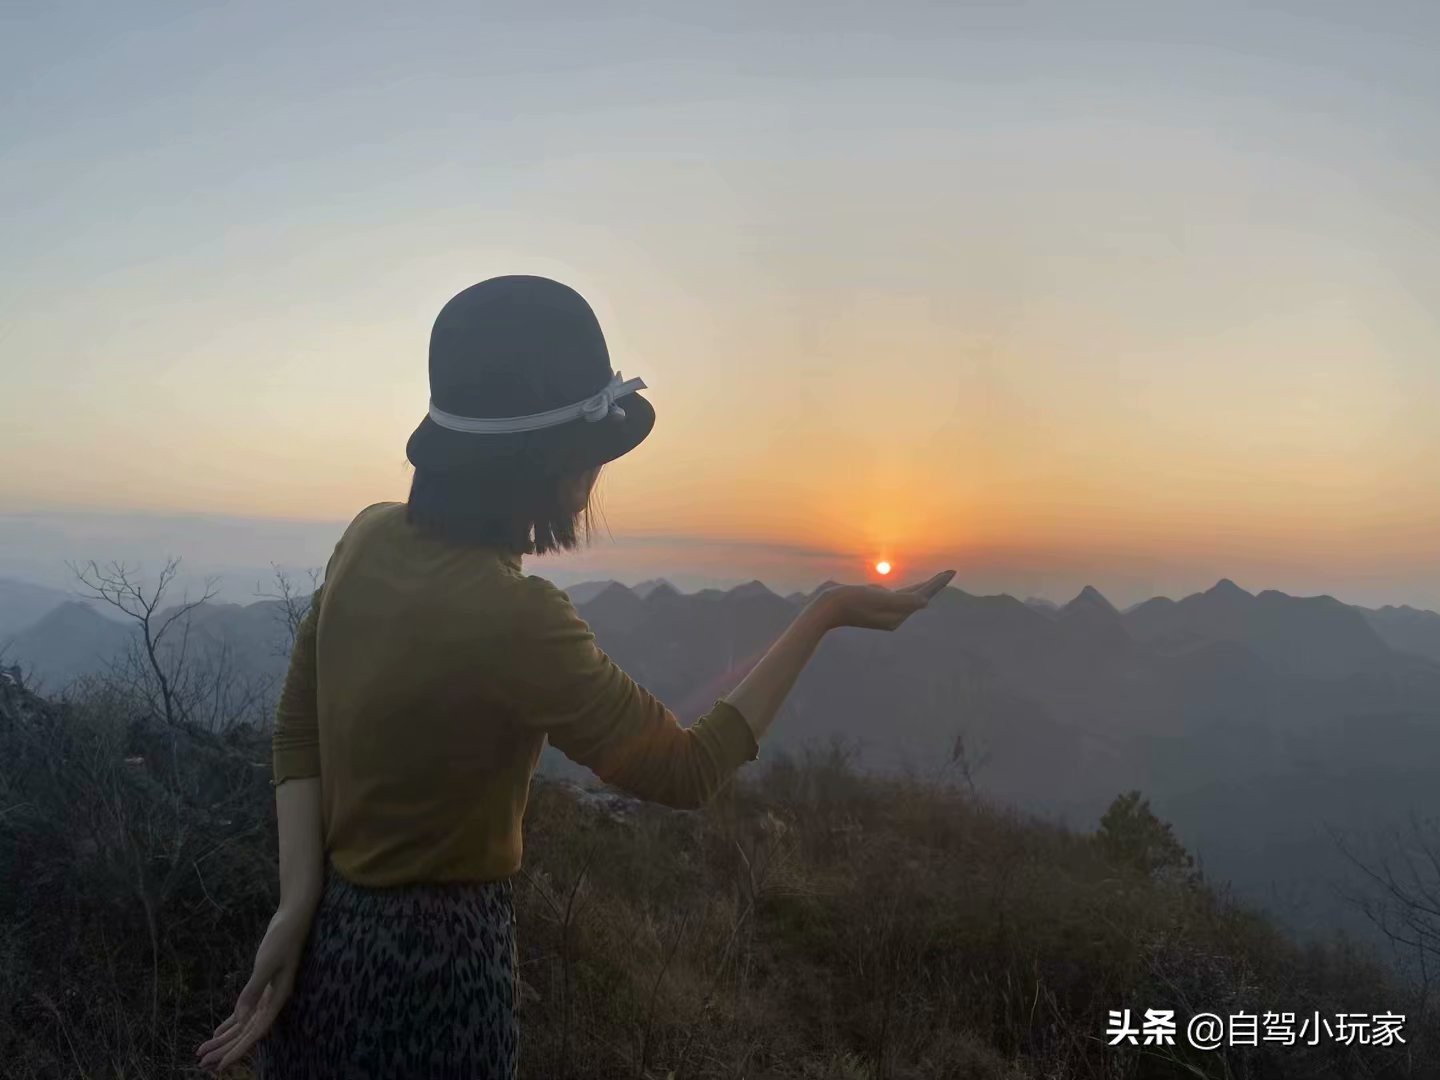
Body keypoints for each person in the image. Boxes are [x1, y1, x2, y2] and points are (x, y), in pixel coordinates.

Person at [196, 275, 955, 1078]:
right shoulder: (518, 617)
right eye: (590, 456)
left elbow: (298, 730)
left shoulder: (369, 536)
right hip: (440, 976)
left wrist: (295, 904)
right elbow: (688, 770)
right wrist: (824, 614)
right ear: (544, 463)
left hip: (330, 950)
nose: (594, 477)